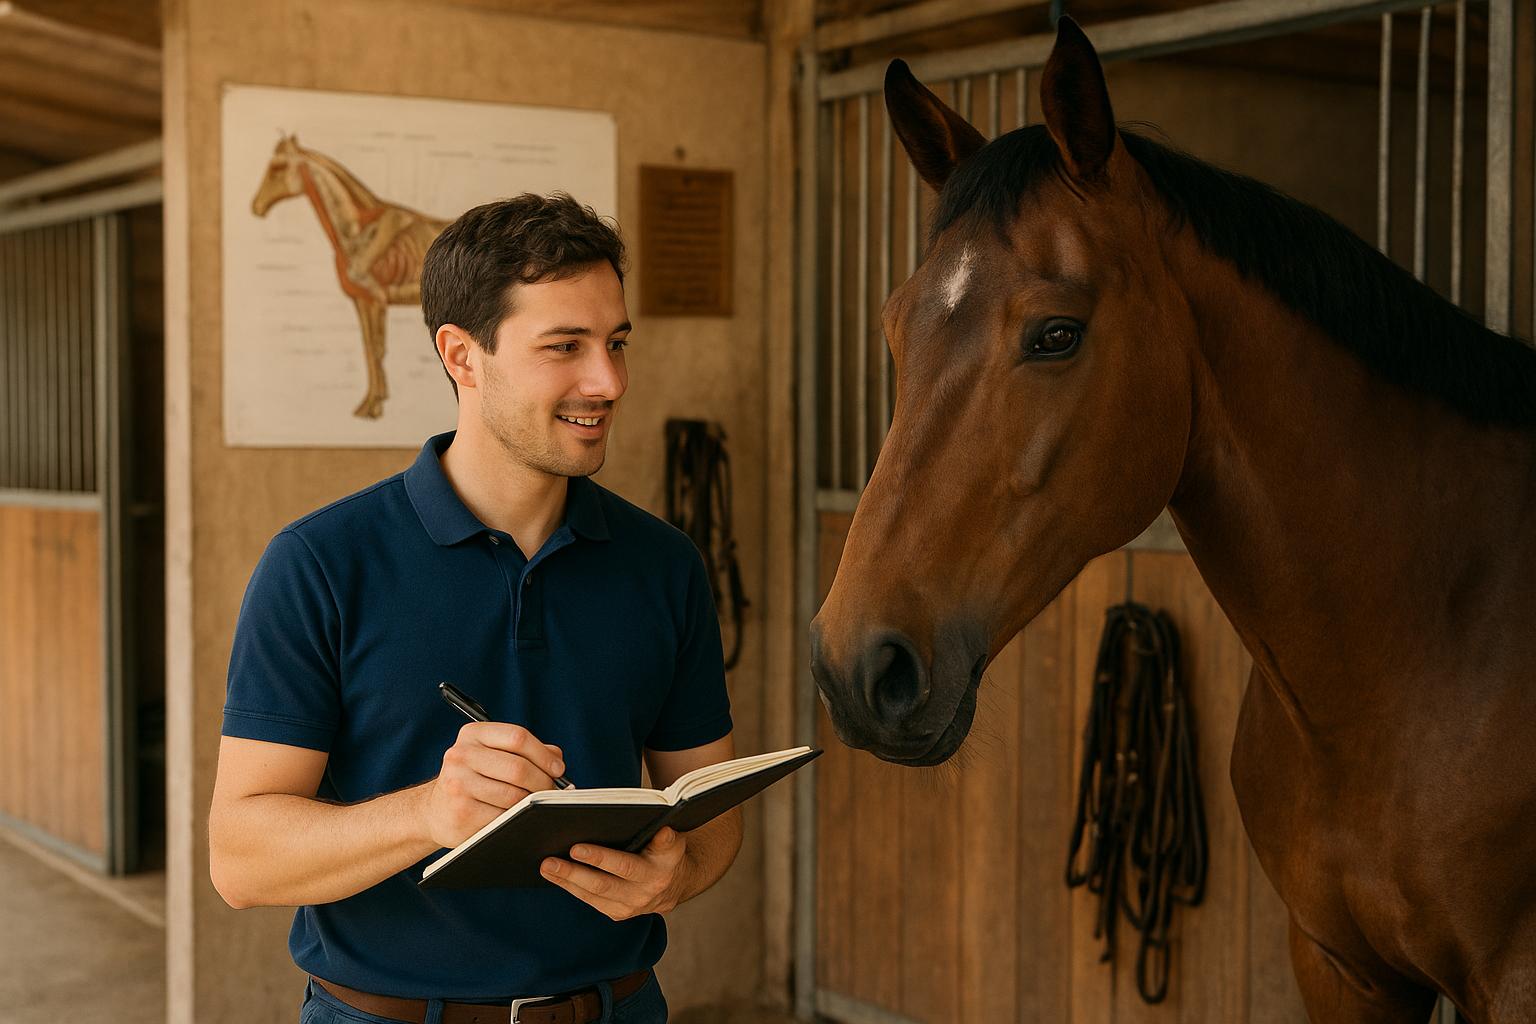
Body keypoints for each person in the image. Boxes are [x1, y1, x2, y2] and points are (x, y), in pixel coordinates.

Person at [209, 193, 741, 1024]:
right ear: (461, 355)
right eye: (564, 347)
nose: (606, 381)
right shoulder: (319, 563)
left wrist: (681, 872)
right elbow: (240, 860)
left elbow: (712, 814)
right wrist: (428, 812)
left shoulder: (665, 566)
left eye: (616, 344)